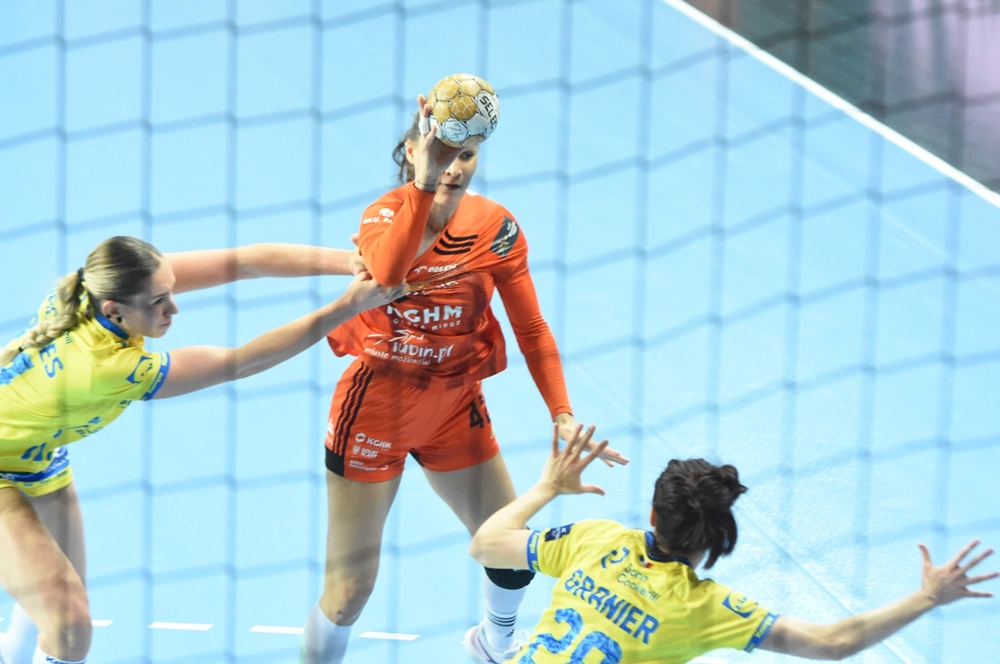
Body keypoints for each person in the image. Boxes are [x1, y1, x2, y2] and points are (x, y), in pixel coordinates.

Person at [300, 94, 630, 664]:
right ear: (411, 151)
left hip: (454, 408)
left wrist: (562, 413)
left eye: (467, 154)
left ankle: (494, 645)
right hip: (376, 411)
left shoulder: (496, 229)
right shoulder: (382, 216)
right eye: (441, 153)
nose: (454, 167)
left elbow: (531, 327)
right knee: (350, 593)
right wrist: (424, 184)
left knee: (511, 551)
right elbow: (388, 272)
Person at [0, 236, 405, 664]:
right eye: (159, 301)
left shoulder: (97, 285)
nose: (173, 308)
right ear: (114, 311)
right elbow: (243, 361)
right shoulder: (107, 369)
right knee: (70, 625)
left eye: (170, 291)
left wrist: (353, 262)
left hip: (36, 455)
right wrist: (347, 307)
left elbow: (242, 261)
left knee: (61, 600)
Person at [470, 424, 999, 662]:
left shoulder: (597, 539)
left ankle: (496, 646)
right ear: (715, 537)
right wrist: (928, 596)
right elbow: (834, 644)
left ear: (653, 514)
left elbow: (487, 545)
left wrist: (548, 487)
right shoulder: (707, 609)